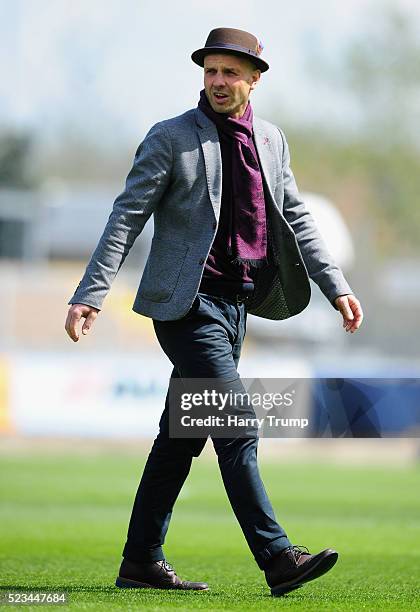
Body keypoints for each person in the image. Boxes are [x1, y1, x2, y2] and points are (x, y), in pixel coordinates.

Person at [65, 27, 363, 597]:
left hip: (238, 305)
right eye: (211, 71)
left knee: (181, 436)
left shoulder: (272, 141)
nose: (219, 82)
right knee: (235, 424)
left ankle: (140, 561)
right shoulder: (170, 137)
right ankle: (278, 558)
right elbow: (126, 216)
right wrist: (90, 292)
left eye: (230, 72)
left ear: (255, 79)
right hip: (186, 308)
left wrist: (336, 286)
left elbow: (296, 216)